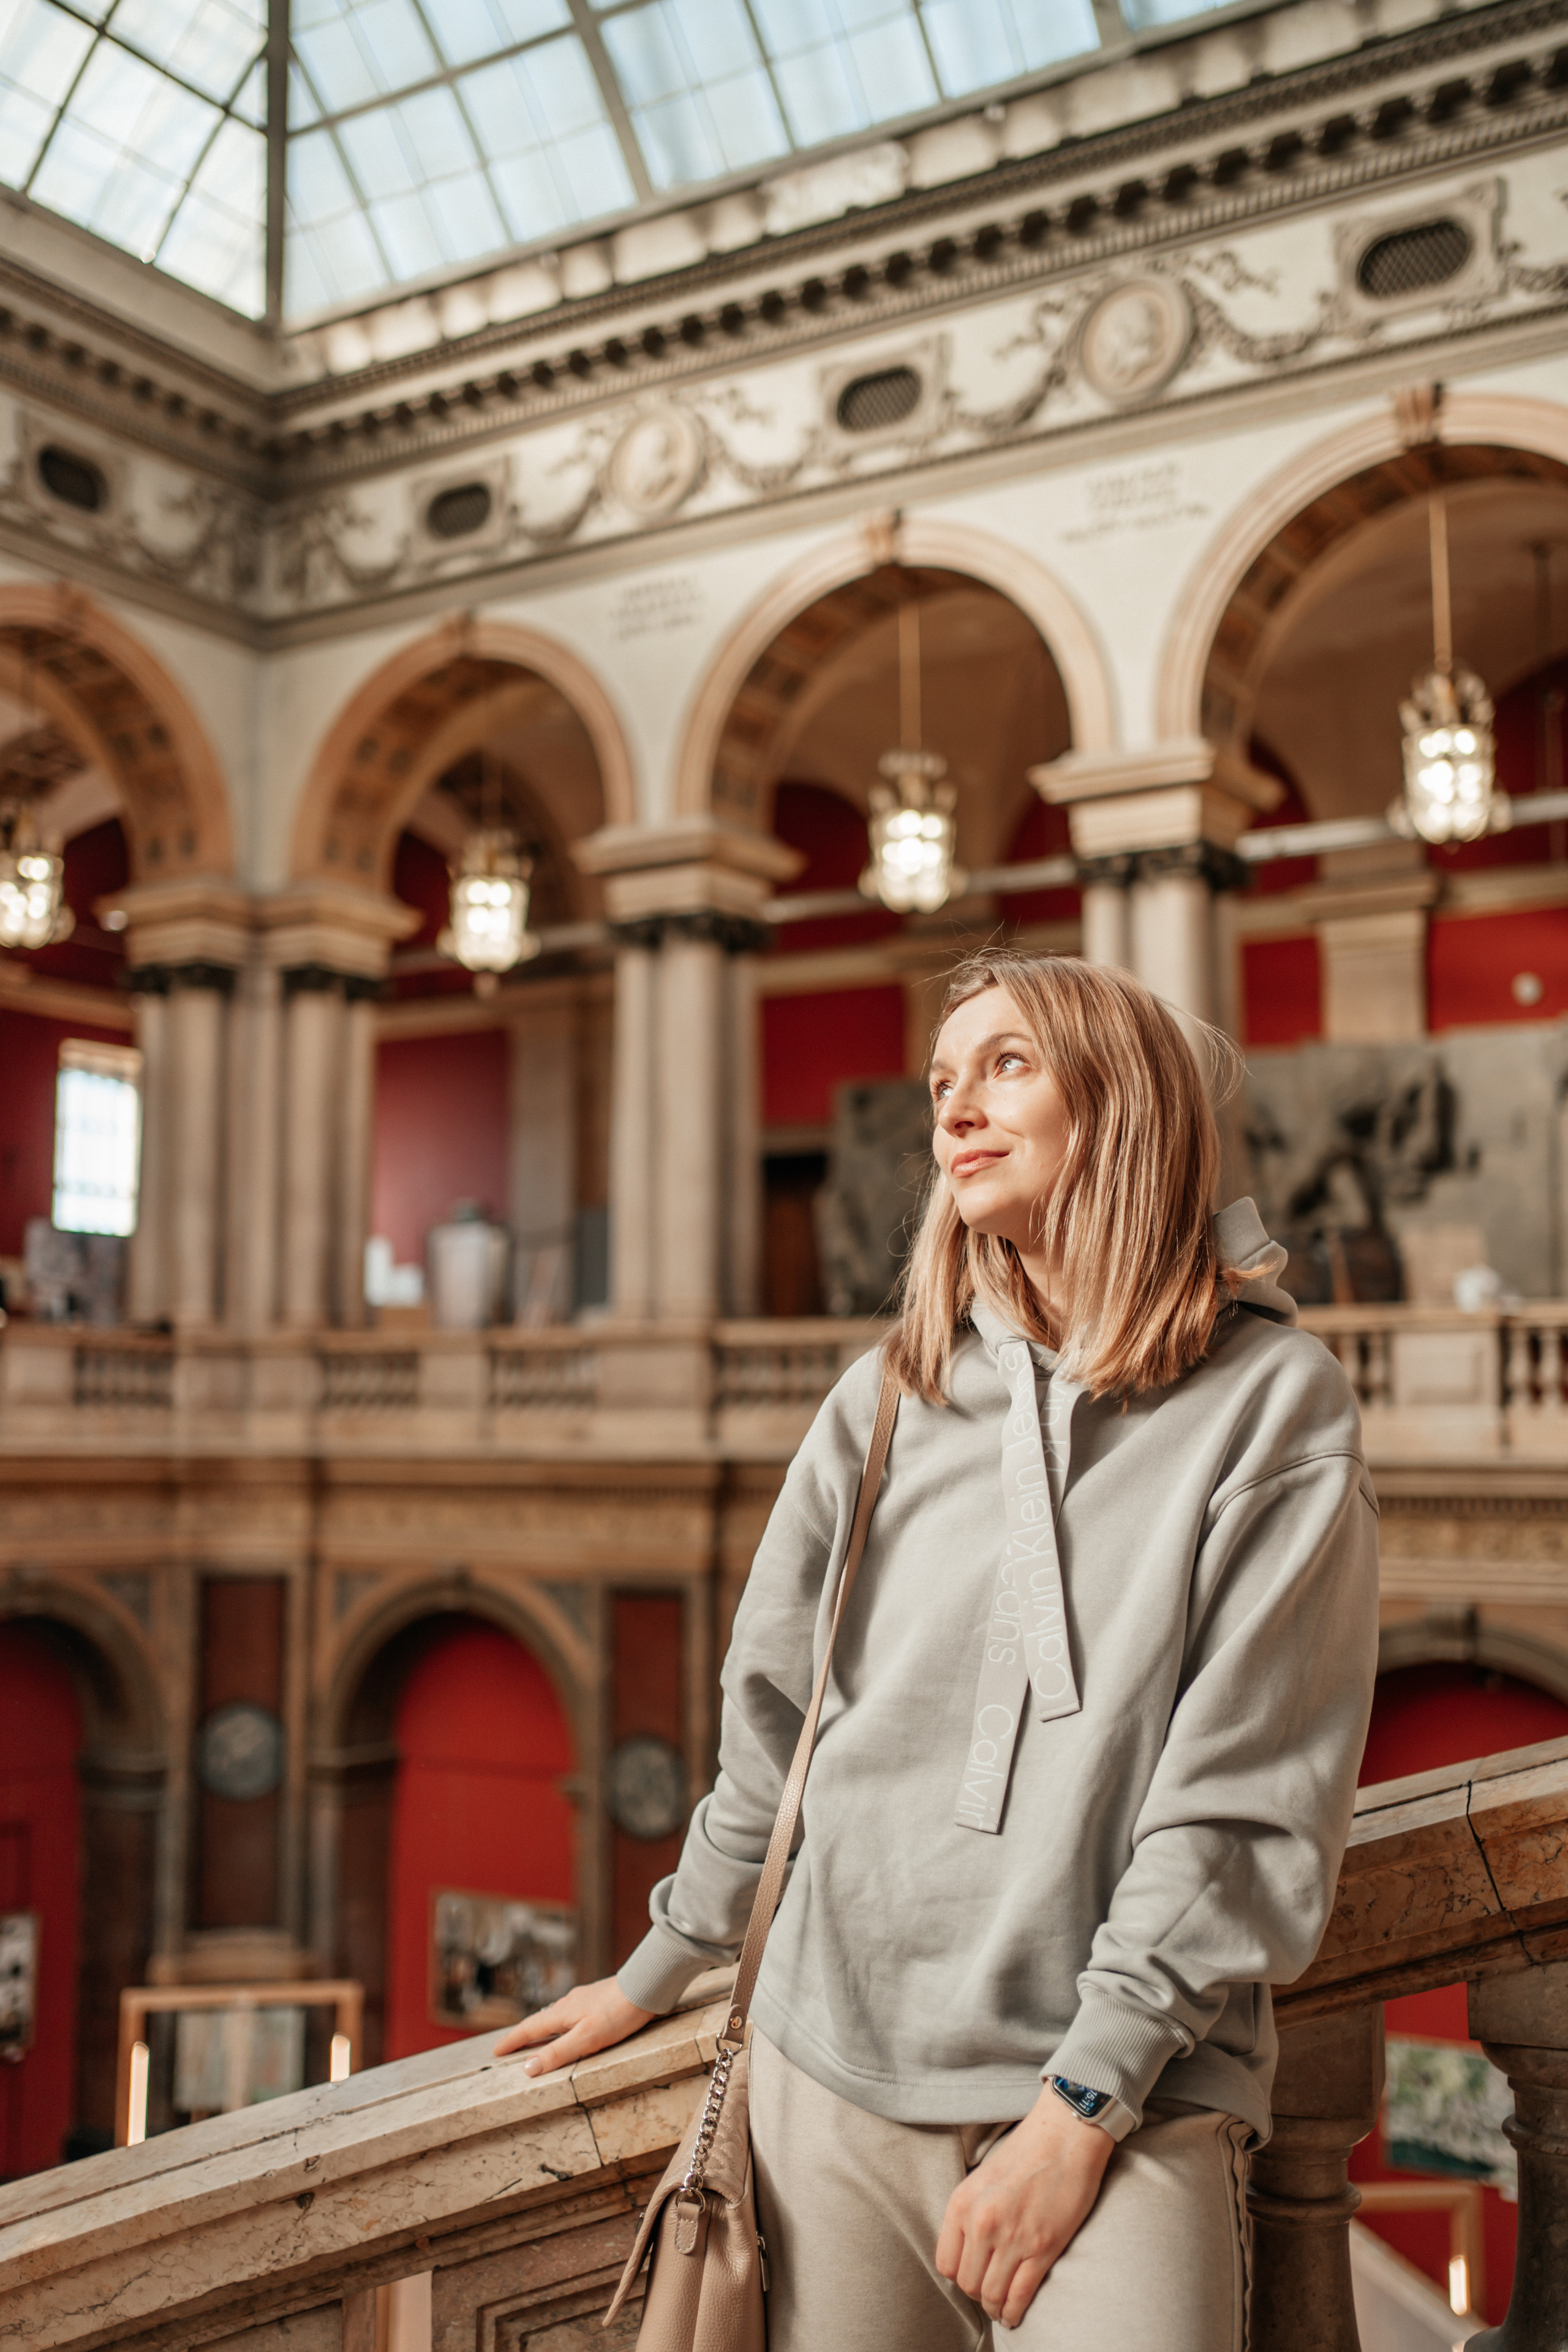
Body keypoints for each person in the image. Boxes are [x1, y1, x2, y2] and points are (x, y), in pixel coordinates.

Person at [497, 950, 1379, 2350]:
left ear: (1126, 1100)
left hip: (1125, 2099)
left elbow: (1241, 1804)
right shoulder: (886, 1395)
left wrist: (1081, 2107)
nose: (954, 1108)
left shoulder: (1274, 1410)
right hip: (826, 2077)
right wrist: (663, 1962)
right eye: (941, 1080)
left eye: (1007, 1064)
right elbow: (775, 1720)